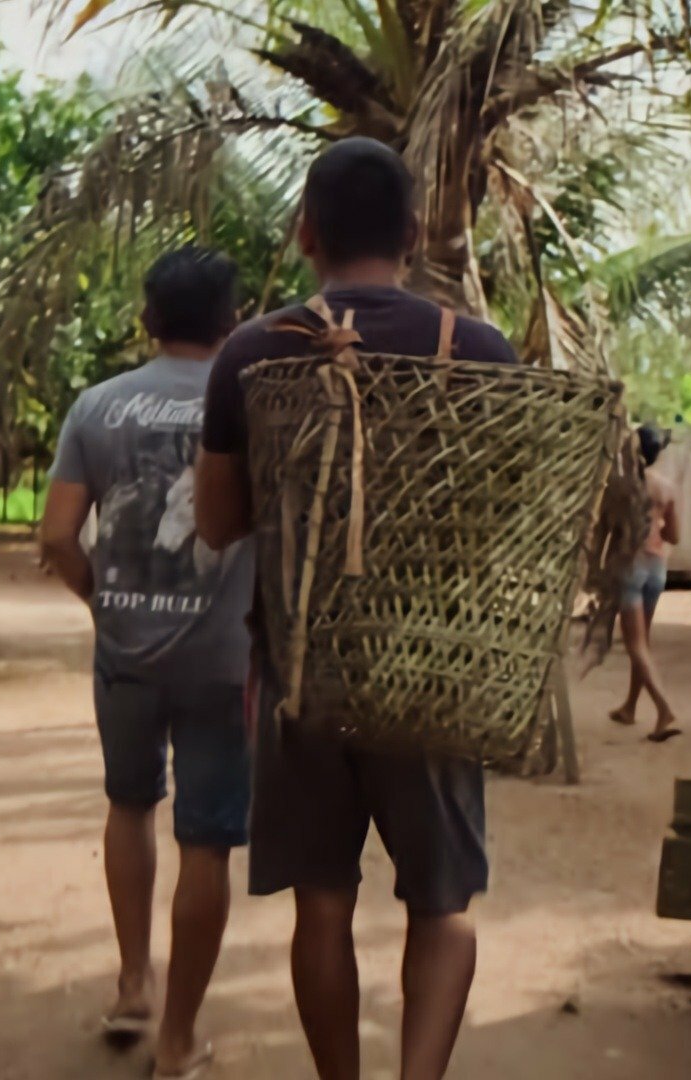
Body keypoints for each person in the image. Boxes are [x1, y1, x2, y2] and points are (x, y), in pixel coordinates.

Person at [195, 137, 518, 1080]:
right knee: (442, 907)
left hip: (303, 673)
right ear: (414, 236)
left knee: (323, 905)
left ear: (306, 233)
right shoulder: (482, 352)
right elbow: (512, 516)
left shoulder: (253, 354)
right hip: (436, 674)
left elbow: (218, 525)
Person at [39, 248, 255, 1080]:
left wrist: (105, 602)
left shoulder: (96, 406)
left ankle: (133, 985)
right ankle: (178, 1040)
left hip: (124, 651)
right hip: (225, 656)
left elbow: (58, 537)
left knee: (128, 805)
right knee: (207, 843)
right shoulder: (254, 406)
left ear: (148, 320)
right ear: (232, 323)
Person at [611, 424, 681, 741]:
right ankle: (629, 706)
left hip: (630, 565)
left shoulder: (622, 485)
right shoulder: (665, 487)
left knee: (635, 645)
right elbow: (674, 536)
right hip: (657, 566)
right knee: (644, 643)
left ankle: (664, 709)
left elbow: (608, 529)